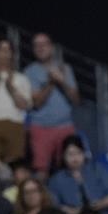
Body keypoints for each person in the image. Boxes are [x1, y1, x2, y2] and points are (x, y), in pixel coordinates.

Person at [24, 33, 79, 173]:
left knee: (70, 169)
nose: (41, 48)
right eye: (37, 45)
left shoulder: (65, 69)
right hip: (41, 128)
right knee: (41, 170)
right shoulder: (29, 72)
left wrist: (62, 81)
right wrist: (51, 82)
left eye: (44, 44)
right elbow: (37, 103)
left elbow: (76, 99)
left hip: (65, 127)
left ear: (52, 47)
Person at [48, 136, 108, 214]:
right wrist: (70, 211)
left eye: (78, 153)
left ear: (84, 154)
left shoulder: (96, 169)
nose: (75, 158)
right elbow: (53, 204)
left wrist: (101, 204)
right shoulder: (56, 180)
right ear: (63, 156)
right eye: (70, 154)